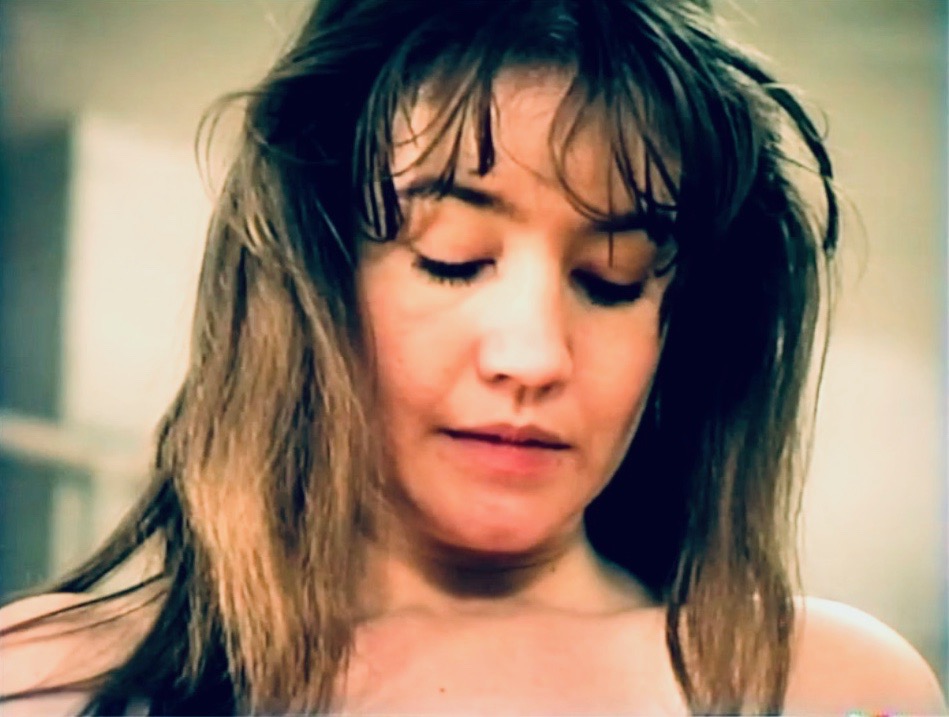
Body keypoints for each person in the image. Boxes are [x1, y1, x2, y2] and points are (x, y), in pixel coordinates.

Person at [0, 0, 945, 714]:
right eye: (451, 258)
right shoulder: (46, 681)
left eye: (611, 278)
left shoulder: (815, 684)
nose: (531, 356)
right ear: (314, 273)